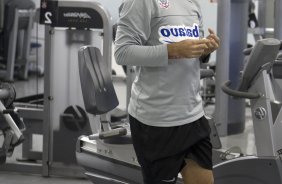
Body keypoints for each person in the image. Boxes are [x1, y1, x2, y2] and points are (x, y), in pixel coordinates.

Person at [114, 0, 220, 183]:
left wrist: (205, 49)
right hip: (156, 121)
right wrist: (171, 51)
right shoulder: (141, 3)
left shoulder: (192, 3)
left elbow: (193, 52)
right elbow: (122, 52)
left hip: (193, 115)